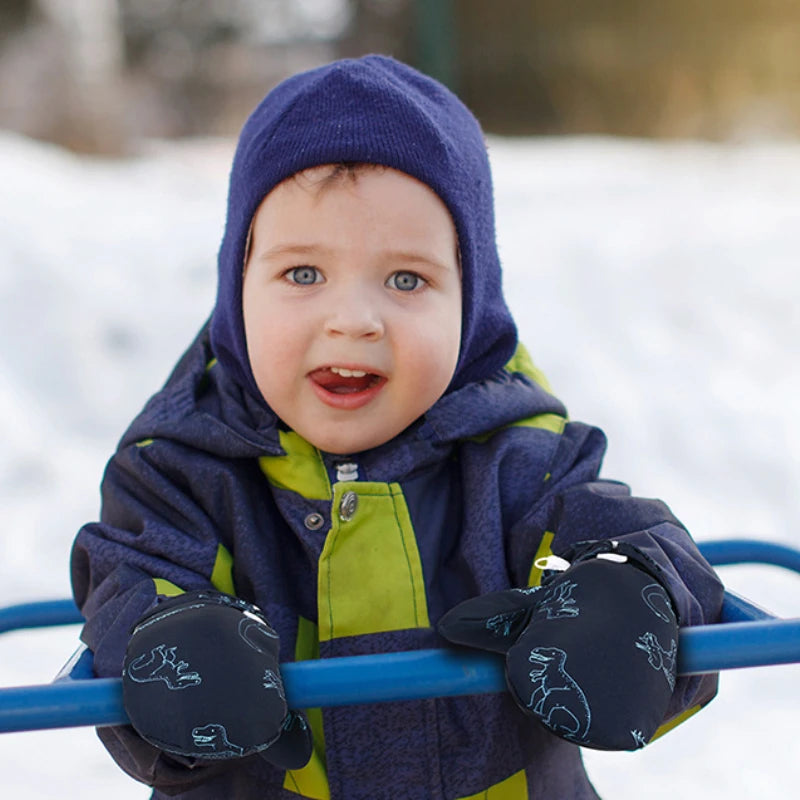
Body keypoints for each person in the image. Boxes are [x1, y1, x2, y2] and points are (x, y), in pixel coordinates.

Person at [71, 55, 724, 800]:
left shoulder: (521, 458)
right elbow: (128, 585)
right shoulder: (179, 474)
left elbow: (642, 546)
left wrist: (632, 597)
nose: (352, 320)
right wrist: (170, 648)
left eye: (406, 279)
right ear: (236, 290)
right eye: (303, 274)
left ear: (471, 303)